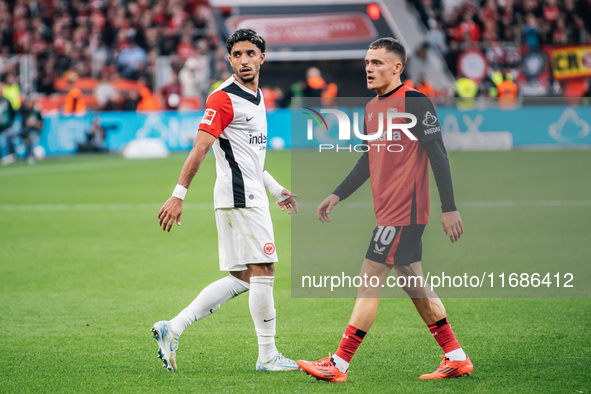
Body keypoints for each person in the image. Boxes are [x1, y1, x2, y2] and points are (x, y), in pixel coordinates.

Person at [297, 38, 472, 382]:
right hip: (389, 212)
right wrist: (338, 194)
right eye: (367, 62)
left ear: (397, 67)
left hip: (403, 213)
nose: (369, 68)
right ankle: (456, 356)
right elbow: (368, 160)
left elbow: (438, 155)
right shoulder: (371, 107)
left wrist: (449, 208)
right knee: (414, 284)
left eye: (377, 62)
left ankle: (339, 364)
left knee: (369, 276)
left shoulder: (416, 103)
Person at [151, 29, 299, 373]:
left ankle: (172, 328)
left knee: (244, 276)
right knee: (264, 270)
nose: (244, 60)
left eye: (250, 53)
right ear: (229, 59)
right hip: (240, 197)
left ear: (262, 57)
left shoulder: (259, 96)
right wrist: (178, 195)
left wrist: (277, 190)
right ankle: (267, 357)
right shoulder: (223, 98)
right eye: (237, 54)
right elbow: (200, 149)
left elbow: (251, 156)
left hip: (249, 194)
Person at [19, 95, 44, 164]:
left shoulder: (36, 112)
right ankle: (27, 155)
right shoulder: (24, 111)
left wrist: (34, 123)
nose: (28, 104)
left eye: (29, 102)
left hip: (33, 132)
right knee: (28, 139)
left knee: (31, 137)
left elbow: (41, 123)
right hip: (24, 132)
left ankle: (30, 156)